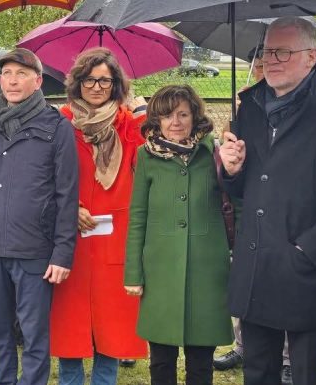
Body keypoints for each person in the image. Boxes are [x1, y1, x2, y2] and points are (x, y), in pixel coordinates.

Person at [219, 17, 316, 385]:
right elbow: (243, 188)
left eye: (282, 51)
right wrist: (230, 169)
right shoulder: (251, 108)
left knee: (306, 374)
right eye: (266, 51)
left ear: (312, 56)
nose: (271, 59)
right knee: (258, 372)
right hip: (257, 266)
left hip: (307, 270)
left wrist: (308, 249)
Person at [0, 48, 79, 385]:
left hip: (34, 249)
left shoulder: (57, 127)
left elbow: (67, 195)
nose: (13, 80)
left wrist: (62, 252)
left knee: (35, 333)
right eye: (7, 73)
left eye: (22, 74)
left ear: (37, 81)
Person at [49, 48, 148, 385]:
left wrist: (145, 111)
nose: (96, 86)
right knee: (70, 322)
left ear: (115, 84)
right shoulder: (60, 121)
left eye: (104, 80)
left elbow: (154, 147)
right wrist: (70, 208)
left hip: (116, 235)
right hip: (71, 235)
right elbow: (46, 174)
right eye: (89, 79)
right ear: (78, 82)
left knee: (112, 323)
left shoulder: (127, 123)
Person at [125, 84, 233, 385]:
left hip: (207, 269)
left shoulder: (214, 152)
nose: (176, 122)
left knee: (201, 362)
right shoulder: (145, 156)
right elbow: (138, 217)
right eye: (167, 115)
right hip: (159, 269)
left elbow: (234, 201)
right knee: (161, 360)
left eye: (183, 114)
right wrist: (133, 273)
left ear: (195, 117)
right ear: (156, 119)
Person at [214, 45, 292, 385]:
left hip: (280, 211)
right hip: (244, 212)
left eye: (270, 63)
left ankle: (287, 357)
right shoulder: (245, 104)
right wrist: (229, 146)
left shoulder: (292, 108)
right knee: (244, 284)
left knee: (283, 286)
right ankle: (244, 345)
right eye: (258, 64)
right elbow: (231, 166)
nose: (263, 70)